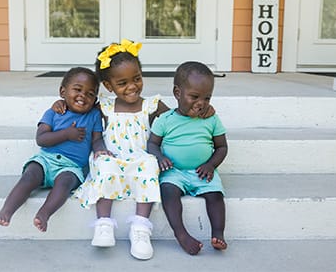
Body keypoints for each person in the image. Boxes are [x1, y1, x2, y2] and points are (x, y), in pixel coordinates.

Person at [52, 39, 215, 260]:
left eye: (137, 78)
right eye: (122, 83)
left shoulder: (152, 105)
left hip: (141, 158)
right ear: (109, 87)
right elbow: (81, 112)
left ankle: (140, 228)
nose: (132, 86)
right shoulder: (104, 107)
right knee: (103, 163)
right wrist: (60, 104)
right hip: (113, 157)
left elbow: (179, 115)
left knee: (150, 164)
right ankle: (103, 223)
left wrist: (204, 107)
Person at [0, 67, 106, 232]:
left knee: (65, 184)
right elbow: (41, 139)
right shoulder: (53, 113)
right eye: (77, 89)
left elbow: (97, 139)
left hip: (71, 167)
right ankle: (7, 211)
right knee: (29, 176)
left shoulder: (93, 115)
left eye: (90, 94)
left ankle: (44, 214)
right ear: (62, 91)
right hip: (46, 160)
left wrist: (100, 150)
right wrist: (66, 134)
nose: (83, 95)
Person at [147, 61, 228, 255]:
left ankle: (218, 234)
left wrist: (211, 165)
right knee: (168, 192)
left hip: (203, 171)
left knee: (216, 196)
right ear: (177, 93)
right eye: (194, 97)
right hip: (174, 172)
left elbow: (222, 147)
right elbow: (152, 144)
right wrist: (159, 157)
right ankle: (181, 234)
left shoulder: (211, 119)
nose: (201, 103)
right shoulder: (165, 119)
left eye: (207, 98)